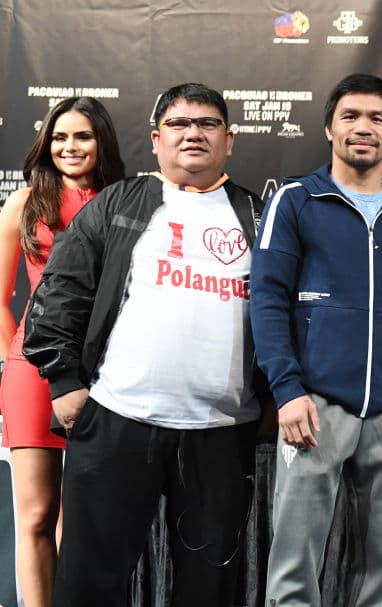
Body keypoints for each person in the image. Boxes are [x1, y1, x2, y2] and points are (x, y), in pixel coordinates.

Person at [22, 83, 268, 607]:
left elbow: (288, 314)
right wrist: (64, 383)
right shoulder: (119, 202)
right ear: (156, 140)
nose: (193, 133)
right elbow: (60, 291)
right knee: (89, 585)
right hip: (117, 420)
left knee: (210, 591)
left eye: (207, 124)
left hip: (221, 433)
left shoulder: (259, 214)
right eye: (179, 124)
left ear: (230, 140)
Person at [252, 73, 382, 607]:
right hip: (315, 403)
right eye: (351, 117)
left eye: (377, 119)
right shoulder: (294, 200)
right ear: (328, 128)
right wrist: (287, 390)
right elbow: (266, 299)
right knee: (294, 564)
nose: (364, 128)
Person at [0, 97, 123, 607]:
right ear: (46, 144)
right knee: (34, 515)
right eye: (60, 137)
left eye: (83, 136)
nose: (70, 147)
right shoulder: (25, 202)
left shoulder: (125, 201)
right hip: (33, 371)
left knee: (85, 520)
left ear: (102, 143)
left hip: (108, 371)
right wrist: (14, 358)